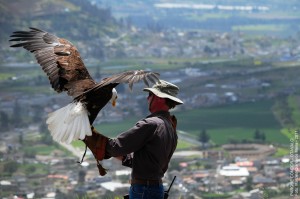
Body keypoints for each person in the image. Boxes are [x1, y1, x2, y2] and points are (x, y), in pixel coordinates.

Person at [83, 80, 183, 199]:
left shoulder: (151, 124)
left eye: (150, 95)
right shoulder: (170, 127)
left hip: (144, 190)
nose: (147, 99)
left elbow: (115, 148)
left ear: (159, 98)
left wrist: (86, 132)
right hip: (155, 189)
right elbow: (146, 161)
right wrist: (124, 155)